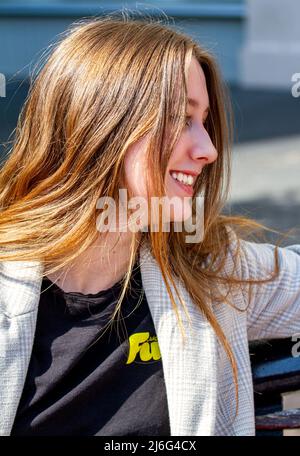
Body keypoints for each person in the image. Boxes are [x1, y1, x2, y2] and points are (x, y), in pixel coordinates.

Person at [0, 13, 299, 437]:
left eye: (205, 122)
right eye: (182, 118)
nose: (209, 149)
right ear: (103, 127)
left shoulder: (208, 270)